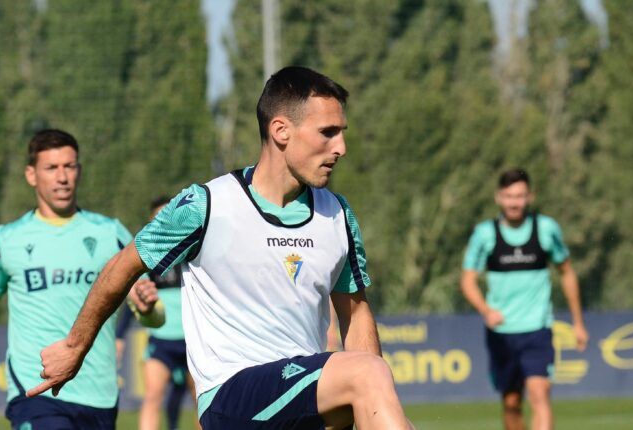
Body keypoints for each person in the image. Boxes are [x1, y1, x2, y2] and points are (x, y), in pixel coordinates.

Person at [30, 66, 415, 430]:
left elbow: (356, 310)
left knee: (373, 383)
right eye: (328, 132)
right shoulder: (206, 206)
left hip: (301, 396)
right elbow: (122, 266)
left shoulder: (337, 214)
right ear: (281, 130)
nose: (342, 147)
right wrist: (75, 346)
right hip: (231, 399)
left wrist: (366, 399)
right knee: (369, 372)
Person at [0, 129, 163, 429]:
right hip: (34, 391)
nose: (62, 177)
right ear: (31, 174)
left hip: (98, 394)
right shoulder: (7, 239)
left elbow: (153, 317)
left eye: (69, 166)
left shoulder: (110, 233)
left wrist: (148, 307)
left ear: (79, 171)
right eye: (51, 168)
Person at [460, 168, 589, 430]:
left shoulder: (546, 229)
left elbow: (567, 272)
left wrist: (578, 322)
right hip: (502, 332)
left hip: (537, 328)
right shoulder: (485, 234)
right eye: (508, 196)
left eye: (519, 196)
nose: (514, 202)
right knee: (511, 402)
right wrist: (486, 310)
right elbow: (467, 280)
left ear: (530, 197)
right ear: (498, 198)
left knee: (540, 394)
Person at [115, 196, 201, 430]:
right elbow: (137, 299)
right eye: (160, 217)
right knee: (152, 398)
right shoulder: (147, 261)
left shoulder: (195, 254)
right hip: (161, 343)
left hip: (194, 343)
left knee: (201, 403)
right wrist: (120, 336)